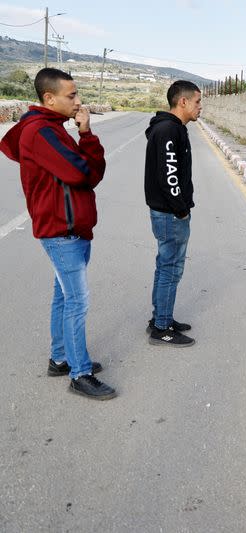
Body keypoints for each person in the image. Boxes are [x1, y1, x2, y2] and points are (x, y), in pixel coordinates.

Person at [0, 68, 116, 399]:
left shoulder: (53, 129)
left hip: (72, 228)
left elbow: (92, 172)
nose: (78, 102)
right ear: (48, 98)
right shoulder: (40, 133)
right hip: (61, 231)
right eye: (72, 96)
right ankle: (79, 373)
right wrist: (87, 137)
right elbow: (83, 174)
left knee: (64, 296)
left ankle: (60, 358)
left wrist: (86, 135)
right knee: (77, 301)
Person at [144, 80, 202, 347]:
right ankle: (162, 328)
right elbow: (169, 175)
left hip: (167, 211)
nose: (200, 107)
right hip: (169, 213)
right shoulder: (169, 130)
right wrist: (180, 210)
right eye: (197, 101)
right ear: (183, 102)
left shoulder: (172, 128)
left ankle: (161, 317)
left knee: (165, 266)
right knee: (171, 268)